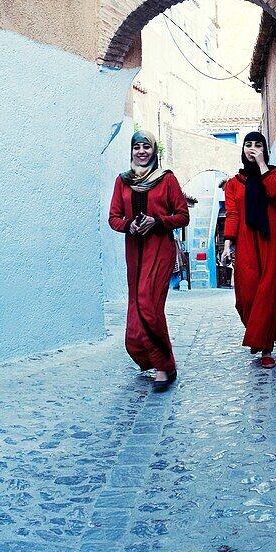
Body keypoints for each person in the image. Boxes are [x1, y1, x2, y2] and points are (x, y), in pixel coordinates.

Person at [108, 130, 190, 391]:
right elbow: (114, 218)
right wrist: (129, 225)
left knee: (148, 304)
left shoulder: (167, 180)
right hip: (135, 253)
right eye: (136, 147)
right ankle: (150, 358)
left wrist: (157, 222)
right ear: (131, 151)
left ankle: (165, 366)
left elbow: (182, 216)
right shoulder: (122, 182)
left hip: (159, 250)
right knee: (136, 310)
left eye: (146, 147)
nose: (141, 152)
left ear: (155, 152)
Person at [220, 131, 276, 368]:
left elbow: (274, 192)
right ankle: (257, 334)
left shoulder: (275, 173)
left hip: (273, 240)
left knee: (268, 292)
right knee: (247, 296)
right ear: (242, 150)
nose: (253, 149)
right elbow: (232, 214)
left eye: (258, 145)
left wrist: (262, 163)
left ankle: (266, 349)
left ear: (264, 149)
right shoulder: (233, 183)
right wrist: (227, 244)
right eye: (248, 145)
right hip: (246, 242)